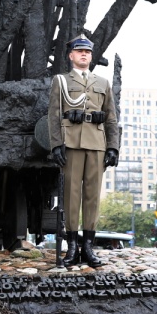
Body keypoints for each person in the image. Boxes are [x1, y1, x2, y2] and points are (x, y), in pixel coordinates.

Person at [48, 34, 119, 267]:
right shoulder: (60, 81)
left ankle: (88, 246)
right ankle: (72, 246)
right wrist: (57, 144)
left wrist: (113, 147)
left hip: (97, 144)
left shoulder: (103, 83)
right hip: (72, 143)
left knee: (92, 197)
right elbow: (54, 116)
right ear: (71, 56)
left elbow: (111, 118)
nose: (84, 55)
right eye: (80, 51)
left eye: (87, 52)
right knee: (71, 196)